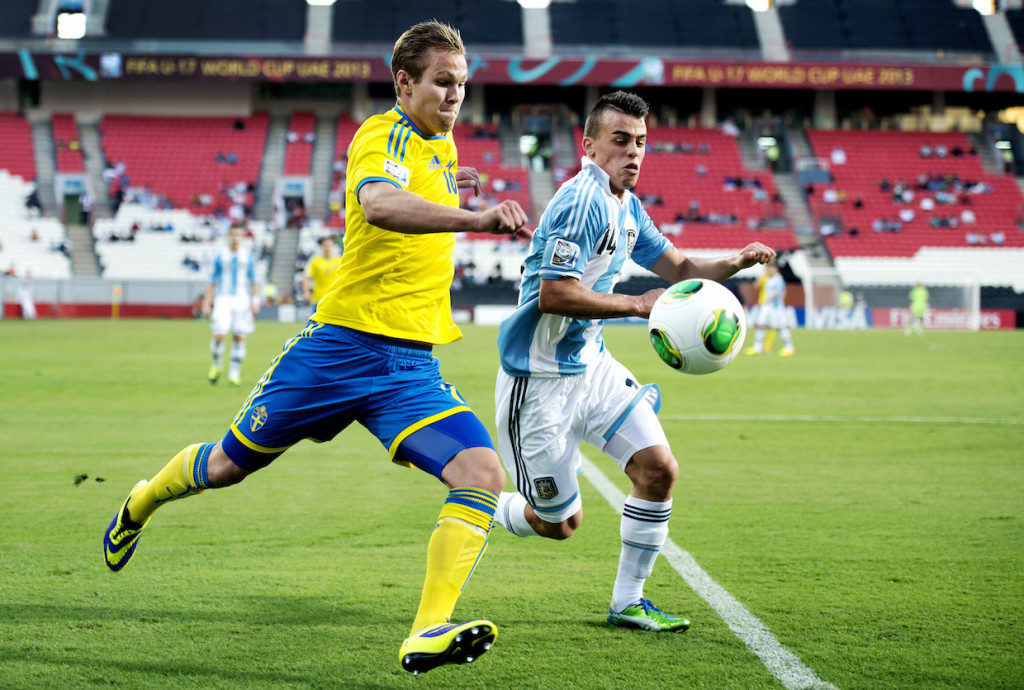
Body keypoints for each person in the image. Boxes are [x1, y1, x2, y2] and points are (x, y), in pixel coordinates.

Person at [103, 21, 529, 676]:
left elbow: (419, 185)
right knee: (226, 466)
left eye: (462, 85)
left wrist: (452, 184)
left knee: (481, 474)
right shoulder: (379, 134)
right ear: (404, 82)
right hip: (338, 352)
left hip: (409, 365)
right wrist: (474, 217)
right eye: (442, 82)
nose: (454, 96)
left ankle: (426, 631)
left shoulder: (441, 148)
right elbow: (382, 204)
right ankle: (141, 500)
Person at [489, 91, 775, 633]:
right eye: (621, 141)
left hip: (590, 367)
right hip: (538, 382)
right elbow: (555, 294)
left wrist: (735, 261)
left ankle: (628, 602)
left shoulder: (626, 205)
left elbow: (680, 266)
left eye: (641, 143)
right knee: (560, 525)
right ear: (589, 145)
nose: (634, 153)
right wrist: (636, 305)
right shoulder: (582, 202)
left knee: (658, 470)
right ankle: (486, 507)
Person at [202, 224, 260, 386]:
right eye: (232, 234)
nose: (235, 238)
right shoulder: (220, 256)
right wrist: (207, 303)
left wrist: (255, 301)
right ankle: (217, 365)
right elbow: (211, 281)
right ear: (228, 236)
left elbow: (254, 280)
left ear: (242, 237)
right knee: (219, 335)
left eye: (238, 235)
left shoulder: (247, 257)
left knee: (239, 337)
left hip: (242, 300)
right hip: (223, 299)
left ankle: (234, 373)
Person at [745, 261, 795, 356]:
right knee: (760, 325)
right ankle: (757, 348)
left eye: (770, 268)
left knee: (781, 328)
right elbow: (756, 286)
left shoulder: (778, 279)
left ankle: (789, 348)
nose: (768, 270)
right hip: (766, 307)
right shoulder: (767, 279)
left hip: (775, 308)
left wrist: (766, 301)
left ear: (775, 269)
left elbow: (777, 294)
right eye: (767, 268)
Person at [301, 235, 343, 308]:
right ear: (321, 246)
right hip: (318, 300)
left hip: (335, 299)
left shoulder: (339, 260)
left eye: (329, 245)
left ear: (333, 246)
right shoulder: (314, 261)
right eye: (325, 245)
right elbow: (306, 277)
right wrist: (306, 293)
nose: (327, 248)